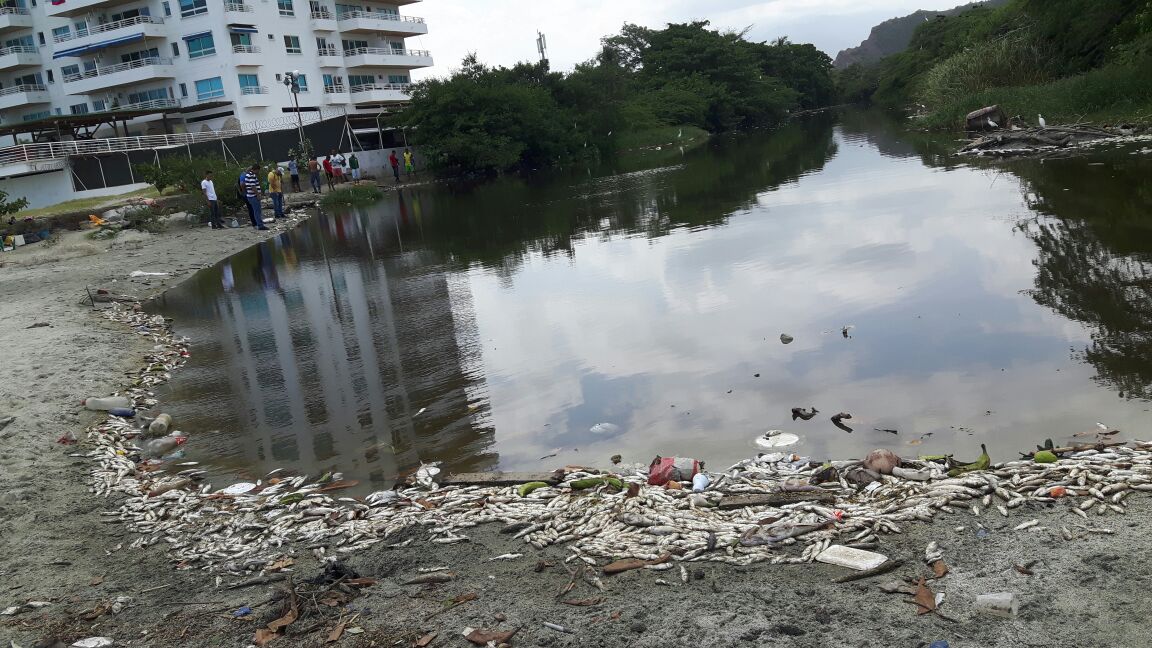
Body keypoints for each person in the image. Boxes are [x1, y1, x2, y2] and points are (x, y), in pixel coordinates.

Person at [242, 163, 267, 230]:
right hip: (253, 196)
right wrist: (258, 195)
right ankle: (260, 225)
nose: (259, 172)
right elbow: (253, 186)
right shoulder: (252, 175)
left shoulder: (247, 175)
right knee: (257, 211)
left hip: (251, 196)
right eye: (258, 170)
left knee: (256, 211)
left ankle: (259, 224)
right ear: (256, 170)